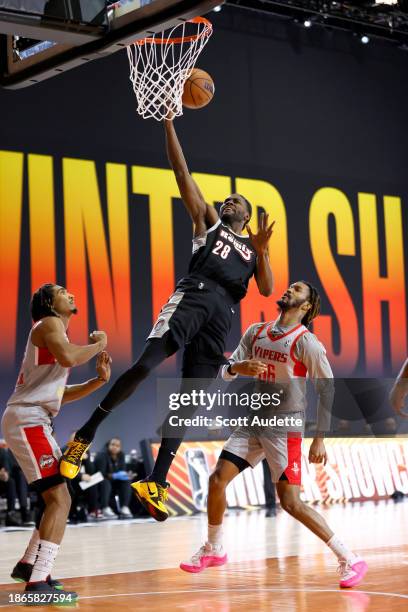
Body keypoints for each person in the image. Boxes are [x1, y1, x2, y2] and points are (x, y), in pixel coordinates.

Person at [61, 116, 275, 523]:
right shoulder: (209, 223)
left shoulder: (252, 249)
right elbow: (182, 173)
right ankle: (84, 436)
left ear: (247, 217)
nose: (229, 203)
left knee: (190, 400)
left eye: (237, 203)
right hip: (192, 298)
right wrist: (169, 125)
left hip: (221, 317)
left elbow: (265, 289)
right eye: (227, 199)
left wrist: (263, 251)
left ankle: (156, 480)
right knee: (143, 366)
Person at [179, 281, 368, 589]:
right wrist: (237, 367)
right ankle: (214, 547)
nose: (288, 291)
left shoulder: (307, 343)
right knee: (217, 480)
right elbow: (226, 370)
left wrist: (320, 437)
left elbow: (327, 388)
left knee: (290, 503)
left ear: (306, 306)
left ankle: (349, 558)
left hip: (285, 426)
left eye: (296, 290)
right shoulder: (256, 331)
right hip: (255, 419)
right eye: (290, 287)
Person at [1, 283, 111, 599]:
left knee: (56, 498)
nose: (70, 294)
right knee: (61, 499)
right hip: (28, 420)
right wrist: (100, 344)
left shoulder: (53, 334)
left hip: (33, 419)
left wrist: (97, 381)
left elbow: (59, 394)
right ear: (50, 303)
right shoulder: (49, 324)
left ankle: (29, 565)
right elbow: (69, 357)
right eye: (62, 291)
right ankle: (37, 583)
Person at [94, 437, 133, 518]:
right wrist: (114, 475)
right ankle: (105, 508)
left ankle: (124, 507)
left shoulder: (121, 455)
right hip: (100, 480)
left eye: (118, 446)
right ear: (108, 445)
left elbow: (122, 470)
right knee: (106, 482)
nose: (115, 447)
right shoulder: (102, 455)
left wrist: (126, 475)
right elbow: (101, 474)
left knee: (127, 481)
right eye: (113, 444)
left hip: (114, 480)